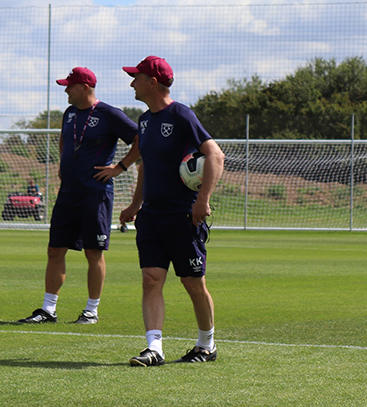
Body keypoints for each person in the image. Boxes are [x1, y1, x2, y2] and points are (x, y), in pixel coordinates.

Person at [120, 56, 225, 366]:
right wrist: (135, 205)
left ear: (153, 82)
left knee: (193, 282)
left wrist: (202, 200)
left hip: (183, 215)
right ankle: (154, 348)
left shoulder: (180, 114)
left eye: (135, 77)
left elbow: (215, 155)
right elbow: (146, 168)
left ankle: (206, 344)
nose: (131, 83)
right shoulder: (144, 120)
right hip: (151, 216)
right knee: (151, 279)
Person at [17, 67, 140, 325]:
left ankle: (91, 311)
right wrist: (63, 164)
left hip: (95, 194)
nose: (65, 90)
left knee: (93, 252)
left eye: (69, 86)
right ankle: (48, 309)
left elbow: (141, 139)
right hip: (68, 193)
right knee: (54, 249)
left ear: (84, 87)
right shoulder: (70, 113)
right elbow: (65, 139)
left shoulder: (109, 114)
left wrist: (120, 167)